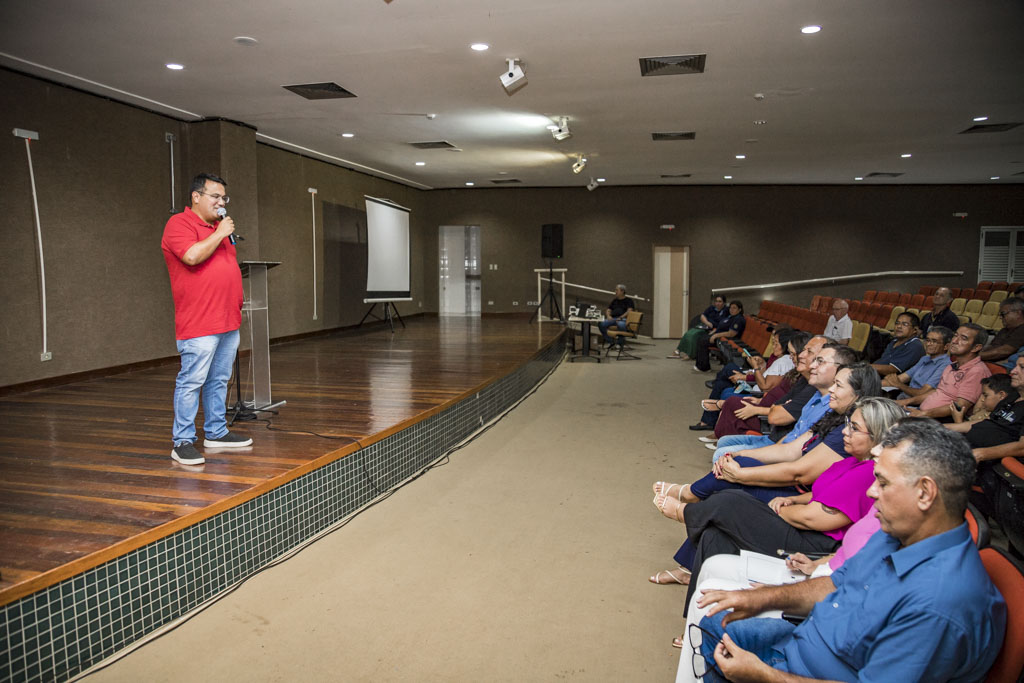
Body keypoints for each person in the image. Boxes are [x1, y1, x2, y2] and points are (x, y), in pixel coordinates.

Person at [693, 419, 1005, 683]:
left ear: (925, 493)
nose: (871, 491)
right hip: (801, 644)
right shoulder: (897, 533)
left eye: (883, 483)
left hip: (805, 672)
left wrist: (764, 675)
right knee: (714, 623)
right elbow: (835, 583)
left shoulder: (940, 604)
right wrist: (760, 598)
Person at [650, 370, 886, 586]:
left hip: (809, 532)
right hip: (798, 502)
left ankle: (688, 506)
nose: (846, 430)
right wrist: (743, 458)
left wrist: (778, 506)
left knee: (730, 499)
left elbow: (803, 483)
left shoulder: (863, 468)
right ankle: (690, 569)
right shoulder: (845, 444)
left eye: (838, 385)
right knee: (718, 524)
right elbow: (794, 455)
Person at [161, 173, 252, 466]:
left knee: (219, 379)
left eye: (224, 198)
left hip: (228, 320)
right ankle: (182, 441)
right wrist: (219, 233)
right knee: (192, 381)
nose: (221, 202)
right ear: (196, 196)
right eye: (215, 196)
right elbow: (191, 256)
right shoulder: (179, 224)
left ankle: (216, 432)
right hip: (199, 323)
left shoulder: (218, 230)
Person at [705, 341, 852, 464]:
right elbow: (791, 435)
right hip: (777, 437)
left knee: (723, 448)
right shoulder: (813, 391)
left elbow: (774, 410)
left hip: (776, 436)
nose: (800, 356)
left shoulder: (825, 401)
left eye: (817, 359)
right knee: (724, 440)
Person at [948, 360, 1024, 515]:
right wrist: (938, 427)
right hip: (969, 450)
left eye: (1022, 367)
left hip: (992, 468)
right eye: (1016, 366)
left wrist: (980, 454)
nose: (1013, 371)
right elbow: (987, 423)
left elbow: (1022, 447)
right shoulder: (1013, 397)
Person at [691, 327, 796, 431]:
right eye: (773, 342)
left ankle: (712, 423)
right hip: (754, 385)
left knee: (728, 379)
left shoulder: (783, 362)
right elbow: (767, 374)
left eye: (776, 343)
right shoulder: (776, 357)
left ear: (785, 345)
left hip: (756, 393)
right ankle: (709, 422)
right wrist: (760, 366)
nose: (773, 346)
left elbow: (765, 387)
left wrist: (753, 370)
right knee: (722, 385)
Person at [902, 323, 991, 420]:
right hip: (923, 413)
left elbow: (959, 407)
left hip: (940, 420)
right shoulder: (952, 366)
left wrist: (923, 413)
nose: (954, 341)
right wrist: (906, 402)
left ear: (976, 347)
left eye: (963, 338)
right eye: (955, 335)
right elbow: (937, 392)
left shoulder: (977, 371)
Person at [880, 324, 952, 399]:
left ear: (946, 346)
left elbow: (922, 393)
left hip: (916, 402)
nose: (928, 344)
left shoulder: (946, 365)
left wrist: (899, 385)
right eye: (927, 340)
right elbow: (902, 378)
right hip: (903, 396)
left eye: (934, 341)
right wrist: (875, 384)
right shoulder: (925, 359)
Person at [670, 295, 728, 359]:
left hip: (712, 329)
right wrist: (707, 323)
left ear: (724, 303)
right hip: (705, 325)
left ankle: (690, 354)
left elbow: (723, 324)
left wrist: (715, 330)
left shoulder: (726, 311)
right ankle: (678, 351)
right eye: (716, 301)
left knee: (694, 335)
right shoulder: (711, 308)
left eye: (720, 301)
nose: (717, 303)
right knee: (688, 333)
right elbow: (702, 316)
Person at [694, 301, 746, 372]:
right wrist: (713, 333)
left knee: (703, 342)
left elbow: (731, 334)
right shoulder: (730, 317)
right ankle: (700, 365)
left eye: (734, 308)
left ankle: (704, 367)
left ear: (739, 310)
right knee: (701, 338)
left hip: (726, 340)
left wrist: (715, 335)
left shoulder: (738, 319)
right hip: (719, 335)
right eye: (730, 308)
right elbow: (721, 327)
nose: (731, 310)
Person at [869, 311, 924, 377]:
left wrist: (867, 367)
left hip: (889, 381)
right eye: (897, 323)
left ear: (915, 330)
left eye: (905, 324)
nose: (899, 326)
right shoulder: (894, 341)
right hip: (874, 375)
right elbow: (882, 361)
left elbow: (892, 370)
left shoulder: (915, 345)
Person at [980, 296, 1024, 362]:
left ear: (1018, 313)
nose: (1000, 317)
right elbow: (992, 346)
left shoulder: (1022, 330)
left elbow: (1004, 351)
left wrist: (974, 357)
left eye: (1003, 314)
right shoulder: (1004, 330)